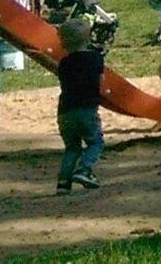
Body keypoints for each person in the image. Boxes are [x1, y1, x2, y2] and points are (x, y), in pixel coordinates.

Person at [56, 16, 104, 194]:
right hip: (86, 109)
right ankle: (84, 169)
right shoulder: (95, 59)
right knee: (95, 143)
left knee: (72, 148)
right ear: (88, 38)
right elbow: (100, 80)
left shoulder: (63, 63)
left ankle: (63, 183)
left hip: (65, 112)